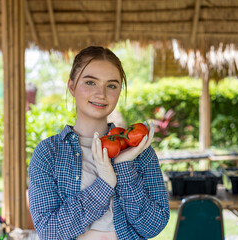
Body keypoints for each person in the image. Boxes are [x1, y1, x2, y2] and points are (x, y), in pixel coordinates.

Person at [28, 46, 170, 240]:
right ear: (71, 87)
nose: (101, 94)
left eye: (111, 85)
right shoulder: (49, 153)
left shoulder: (139, 151)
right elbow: (49, 231)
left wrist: (124, 167)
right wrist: (104, 184)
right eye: (90, 82)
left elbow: (153, 226)